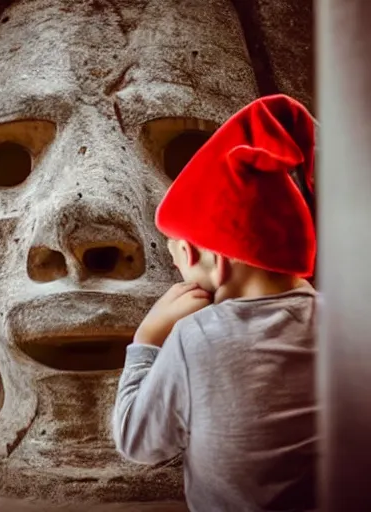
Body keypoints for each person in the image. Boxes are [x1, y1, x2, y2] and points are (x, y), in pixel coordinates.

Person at [112, 94, 318, 511]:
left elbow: (139, 441)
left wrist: (148, 337)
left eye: (181, 254)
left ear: (215, 261)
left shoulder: (195, 338)